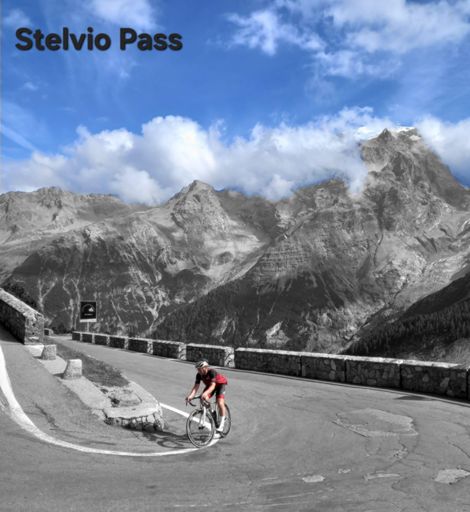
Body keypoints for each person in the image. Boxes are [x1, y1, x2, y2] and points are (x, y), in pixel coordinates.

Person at [185, 360, 228, 433]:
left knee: (220, 402)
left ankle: (221, 424)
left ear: (205, 368)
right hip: (210, 385)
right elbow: (196, 387)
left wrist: (205, 393)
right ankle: (212, 413)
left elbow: (213, 386)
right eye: (197, 369)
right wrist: (190, 396)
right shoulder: (198, 375)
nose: (198, 371)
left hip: (220, 385)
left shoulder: (212, 372)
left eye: (199, 369)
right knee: (203, 399)